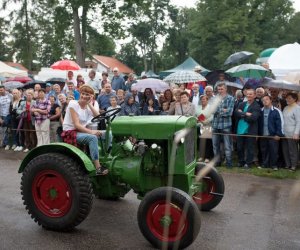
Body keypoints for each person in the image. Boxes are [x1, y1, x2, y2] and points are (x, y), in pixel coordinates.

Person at [62, 84, 108, 175]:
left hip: (81, 131)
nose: (84, 96)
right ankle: (98, 168)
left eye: (87, 94)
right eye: (83, 93)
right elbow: (77, 125)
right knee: (92, 138)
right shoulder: (73, 104)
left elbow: (97, 116)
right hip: (71, 132)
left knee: (108, 133)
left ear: (91, 96)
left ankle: (106, 157)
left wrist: (89, 104)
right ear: (80, 94)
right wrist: (92, 132)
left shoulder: (87, 107)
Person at [235, 89, 261, 168]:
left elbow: (253, 118)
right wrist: (246, 113)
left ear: (254, 95)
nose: (249, 95)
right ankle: (241, 161)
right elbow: (236, 113)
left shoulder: (256, 106)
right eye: (248, 94)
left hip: (250, 130)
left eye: (251, 94)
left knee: (250, 148)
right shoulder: (241, 104)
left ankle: (248, 163)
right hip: (240, 129)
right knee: (239, 147)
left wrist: (242, 114)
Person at [211, 83, 235, 168]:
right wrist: (223, 110)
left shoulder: (231, 98)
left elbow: (230, 112)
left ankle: (229, 163)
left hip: (226, 125)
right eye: (218, 89)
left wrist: (218, 110)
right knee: (215, 146)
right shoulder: (214, 98)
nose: (220, 91)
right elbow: (212, 111)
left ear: (225, 89)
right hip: (215, 125)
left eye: (221, 89)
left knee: (227, 146)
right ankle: (217, 162)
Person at [258, 95, 284, 170]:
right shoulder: (261, 111)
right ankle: (265, 164)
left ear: (270, 100)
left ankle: (274, 165)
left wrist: (278, 134)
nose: (265, 101)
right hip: (263, 135)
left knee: (274, 151)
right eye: (263, 100)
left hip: (273, 135)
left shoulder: (276, 111)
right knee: (264, 150)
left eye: (266, 99)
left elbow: (280, 123)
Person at [282, 92, 300, 171]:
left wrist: (296, 133)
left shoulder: (297, 108)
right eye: (287, 98)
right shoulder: (285, 108)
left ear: (295, 99)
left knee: (293, 150)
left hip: (292, 133)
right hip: (284, 133)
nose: (287, 99)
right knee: (285, 149)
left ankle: (293, 165)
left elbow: (299, 121)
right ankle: (287, 164)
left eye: (289, 98)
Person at [196, 95, 214, 163]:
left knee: (207, 142)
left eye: (204, 99)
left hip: (207, 126)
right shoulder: (198, 107)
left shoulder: (210, 107)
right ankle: (201, 156)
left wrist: (205, 121)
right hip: (199, 126)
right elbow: (196, 115)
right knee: (200, 142)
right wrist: (199, 120)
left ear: (207, 100)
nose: (203, 100)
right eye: (202, 99)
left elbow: (212, 116)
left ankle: (207, 157)